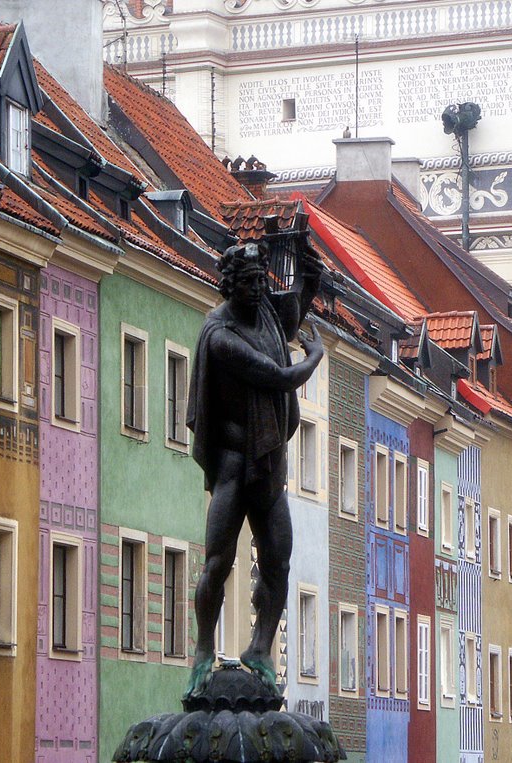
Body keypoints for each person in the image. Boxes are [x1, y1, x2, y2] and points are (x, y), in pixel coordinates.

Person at [185, 240, 323, 695]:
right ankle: (204, 649)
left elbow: (290, 314)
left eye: (260, 281)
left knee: (278, 560)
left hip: (267, 462)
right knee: (217, 561)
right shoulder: (219, 335)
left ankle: (260, 647)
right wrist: (314, 356)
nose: (256, 290)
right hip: (231, 459)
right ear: (229, 285)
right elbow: (278, 375)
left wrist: (308, 277)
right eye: (247, 283)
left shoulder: (262, 310)